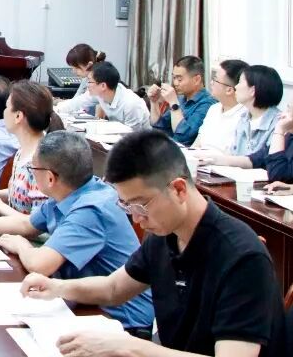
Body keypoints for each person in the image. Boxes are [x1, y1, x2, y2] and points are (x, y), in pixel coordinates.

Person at [21, 130, 284, 357]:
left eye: (141, 204)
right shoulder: (163, 235)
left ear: (178, 189)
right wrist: (56, 287)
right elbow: (114, 288)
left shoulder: (241, 256)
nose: (136, 218)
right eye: (127, 205)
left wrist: (129, 347)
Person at [0, 130, 153, 331]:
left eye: (33, 169)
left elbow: (41, 264)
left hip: (119, 319)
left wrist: (21, 245)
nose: (32, 173)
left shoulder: (91, 208)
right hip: (84, 301)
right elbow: (26, 225)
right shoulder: (72, 189)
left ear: (50, 178)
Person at [0, 80, 57, 217]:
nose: (4, 112)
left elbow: (38, 224)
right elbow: (20, 194)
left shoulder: (41, 163)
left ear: (18, 116)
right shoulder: (23, 151)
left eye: (7, 107)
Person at [147, 55, 216, 146]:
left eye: (179, 79)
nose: (175, 83)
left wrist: (174, 103)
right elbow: (158, 128)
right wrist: (154, 102)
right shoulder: (181, 99)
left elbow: (184, 138)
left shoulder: (208, 104)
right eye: (174, 78)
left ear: (197, 79)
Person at [191, 59, 249, 153]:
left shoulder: (245, 117)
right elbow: (198, 142)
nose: (211, 83)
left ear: (229, 90)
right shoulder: (213, 109)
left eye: (215, 80)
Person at [87, 62, 150, 131]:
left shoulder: (131, 103)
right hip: (115, 134)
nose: (87, 85)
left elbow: (133, 134)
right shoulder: (101, 94)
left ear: (103, 86)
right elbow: (81, 101)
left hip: (139, 136)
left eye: (90, 82)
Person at [54, 44, 103, 118]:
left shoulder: (100, 80)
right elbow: (76, 100)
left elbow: (83, 101)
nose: (73, 71)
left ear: (89, 65)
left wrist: (57, 108)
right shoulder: (86, 79)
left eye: (76, 68)